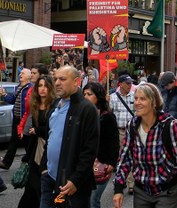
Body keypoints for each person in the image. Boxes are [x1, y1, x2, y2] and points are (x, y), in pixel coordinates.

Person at [113, 83, 177, 208]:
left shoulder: (169, 126)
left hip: (166, 191)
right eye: (136, 98)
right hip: (141, 191)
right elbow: (125, 158)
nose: (137, 102)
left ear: (154, 103)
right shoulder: (132, 125)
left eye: (143, 99)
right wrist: (118, 188)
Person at [39, 65, 99, 207]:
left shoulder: (86, 109)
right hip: (49, 179)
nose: (57, 83)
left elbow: (89, 150)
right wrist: (44, 168)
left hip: (71, 184)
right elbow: (49, 139)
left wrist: (76, 180)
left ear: (76, 82)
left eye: (62, 79)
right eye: (55, 79)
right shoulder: (54, 105)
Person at [18, 76, 56, 208]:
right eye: (40, 85)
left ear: (50, 88)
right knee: (32, 185)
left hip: (49, 148)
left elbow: (55, 128)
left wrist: (38, 130)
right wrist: (27, 156)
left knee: (41, 186)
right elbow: (33, 134)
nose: (42, 89)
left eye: (45, 86)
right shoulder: (35, 105)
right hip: (36, 150)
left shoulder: (54, 106)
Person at [83, 83, 119, 208]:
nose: (86, 97)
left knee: (93, 200)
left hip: (101, 163)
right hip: (84, 163)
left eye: (89, 94)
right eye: (84, 94)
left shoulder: (107, 117)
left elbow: (114, 141)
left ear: (98, 96)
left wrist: (111, 162)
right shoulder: (81, 114)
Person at [0, 69, 32, 170]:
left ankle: (32, 161)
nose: (20, 74)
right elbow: (13, 101)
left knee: (27, 141)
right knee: (14, 140)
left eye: (23, 73)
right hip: (16, 118)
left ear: (29, 77)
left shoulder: (31, 88)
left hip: (24, 119)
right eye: (20, 73)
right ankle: (6, 163)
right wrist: (5, 95)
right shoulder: (18, 87)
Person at [109, 74, 136, 194]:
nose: (130, 85)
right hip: (119, 131)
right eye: (128, 83)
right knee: (122, 157)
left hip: (132, 131)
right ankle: (121, 180)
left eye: (131, 83)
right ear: (120, 84)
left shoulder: (135, 97)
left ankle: (132, 184)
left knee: (132, 156)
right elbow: (108, 115)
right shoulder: (112, 98)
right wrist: (106, 103)